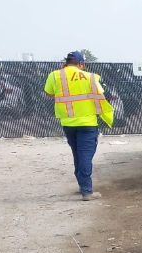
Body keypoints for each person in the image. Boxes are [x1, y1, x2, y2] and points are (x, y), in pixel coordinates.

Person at [44, 51, 114, 200]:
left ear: (66, 62)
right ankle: (87, 191)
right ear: (81, 64)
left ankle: (82, 185)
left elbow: (49, 93)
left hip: (68, 122)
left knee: (77, 154)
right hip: (88, 123)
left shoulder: (55, 75)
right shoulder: (89, 77)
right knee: (85, 157)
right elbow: (101, 94)